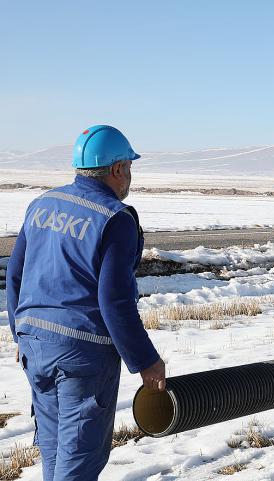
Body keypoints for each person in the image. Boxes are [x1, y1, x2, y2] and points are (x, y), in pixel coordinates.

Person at [6, 125, 166, 481]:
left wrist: (21, 335)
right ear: (117, 169)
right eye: (129, 167)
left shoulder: (42, 204)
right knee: (78, 462)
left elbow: (15, 276)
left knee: (56, 453)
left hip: (36, 348)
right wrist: (146, 362)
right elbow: (115, 301)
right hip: (82, 355)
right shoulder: (115, 219)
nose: (130, 176)